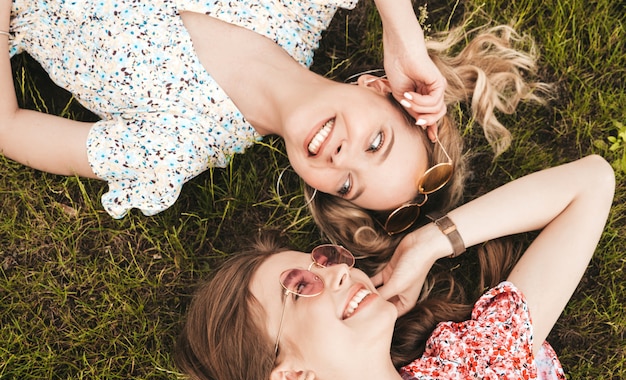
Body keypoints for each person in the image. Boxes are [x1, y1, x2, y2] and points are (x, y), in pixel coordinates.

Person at [176, 154, 615, 380]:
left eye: (326, 260)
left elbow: (591, 184)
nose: (339, 273)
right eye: (301, 286)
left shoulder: (477, 362)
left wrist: (429, 243)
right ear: (291, 375)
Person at [1, 0, 544, 220]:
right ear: (379, 89)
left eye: (346, 185)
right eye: (376, 142)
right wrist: (403, 37)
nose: (340, 156)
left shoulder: (173, 147)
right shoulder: (295, 7)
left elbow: (10, 127)